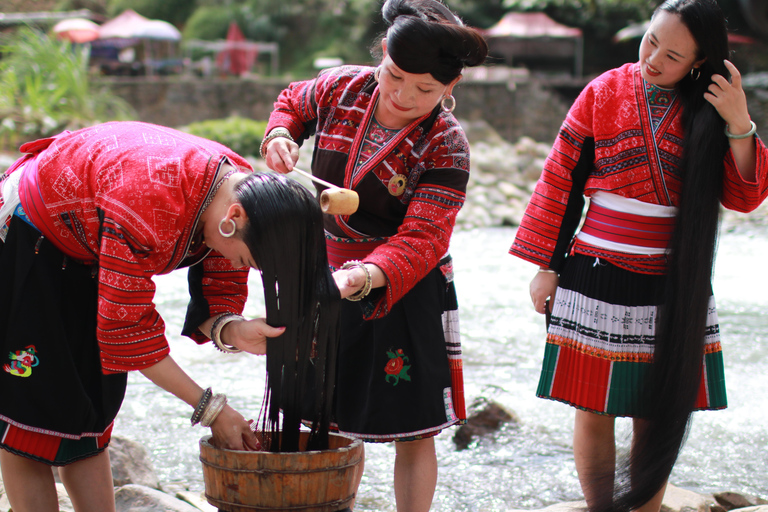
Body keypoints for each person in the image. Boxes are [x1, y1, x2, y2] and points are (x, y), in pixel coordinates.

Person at [0, 121, 339, 512]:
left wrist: (234, 331)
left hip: (91, 245)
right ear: (235, 216)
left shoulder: (241, 196)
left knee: (91, 417)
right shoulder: (149, 203)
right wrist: (211, 409)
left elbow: (217, 297)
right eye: (248, 260)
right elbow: (128, 331)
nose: (239, 265)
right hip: (32, 237)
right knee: (31, 422)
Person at [509, 1, 768, 511]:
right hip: (593, 269)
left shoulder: (712, 106)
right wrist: (547, 267)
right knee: (592, 406)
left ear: (698, 62)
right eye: (651, 41)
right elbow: (562, 180)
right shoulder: (603, 90)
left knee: (657, 408)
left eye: (672, 55)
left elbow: (745, 195)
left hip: (674, 279)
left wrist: (739, 120)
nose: (652, 59)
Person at [260, 0, 488, 509]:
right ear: (382, 53)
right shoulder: (341, 86)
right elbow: (293, 102)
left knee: (414, 427)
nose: (403, 95)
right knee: (324, 416)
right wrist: (280, 135)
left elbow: (425, 237)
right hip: (323, 268)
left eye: (425, 89)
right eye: (394, 75)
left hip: (404, 285)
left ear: (451, 88)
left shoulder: (446, 145)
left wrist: (365, 276)